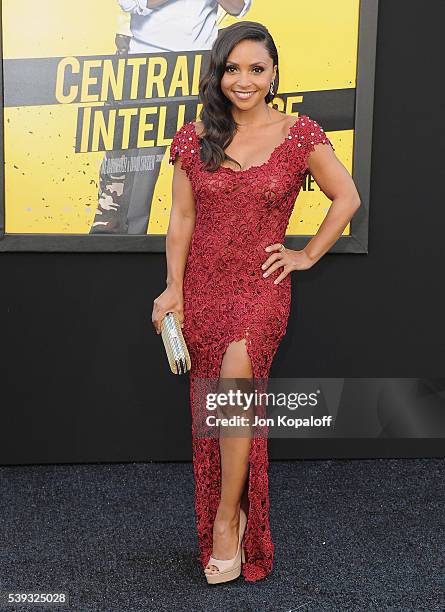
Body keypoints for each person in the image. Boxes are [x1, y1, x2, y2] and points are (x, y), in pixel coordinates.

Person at [152, 21, 361, 584]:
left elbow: (347, 197)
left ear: (273, 74)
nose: (244, 80)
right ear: (219, 74)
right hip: (202, 288)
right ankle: (232, 510)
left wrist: (306, 255)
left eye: (256, 69)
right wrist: (173, 287)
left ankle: (227, 521)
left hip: (260, 289)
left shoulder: (300, 133)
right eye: (233, 69)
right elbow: (182, 219)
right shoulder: (195, 138)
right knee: (216, 406)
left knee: (236, 378)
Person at [89, 0, 252, 234]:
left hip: (199, 69)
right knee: (137, 175)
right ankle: (126, 246)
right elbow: (131, 3)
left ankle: (209, 250)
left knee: (208, 165)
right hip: (144, 66)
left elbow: (239, 7)